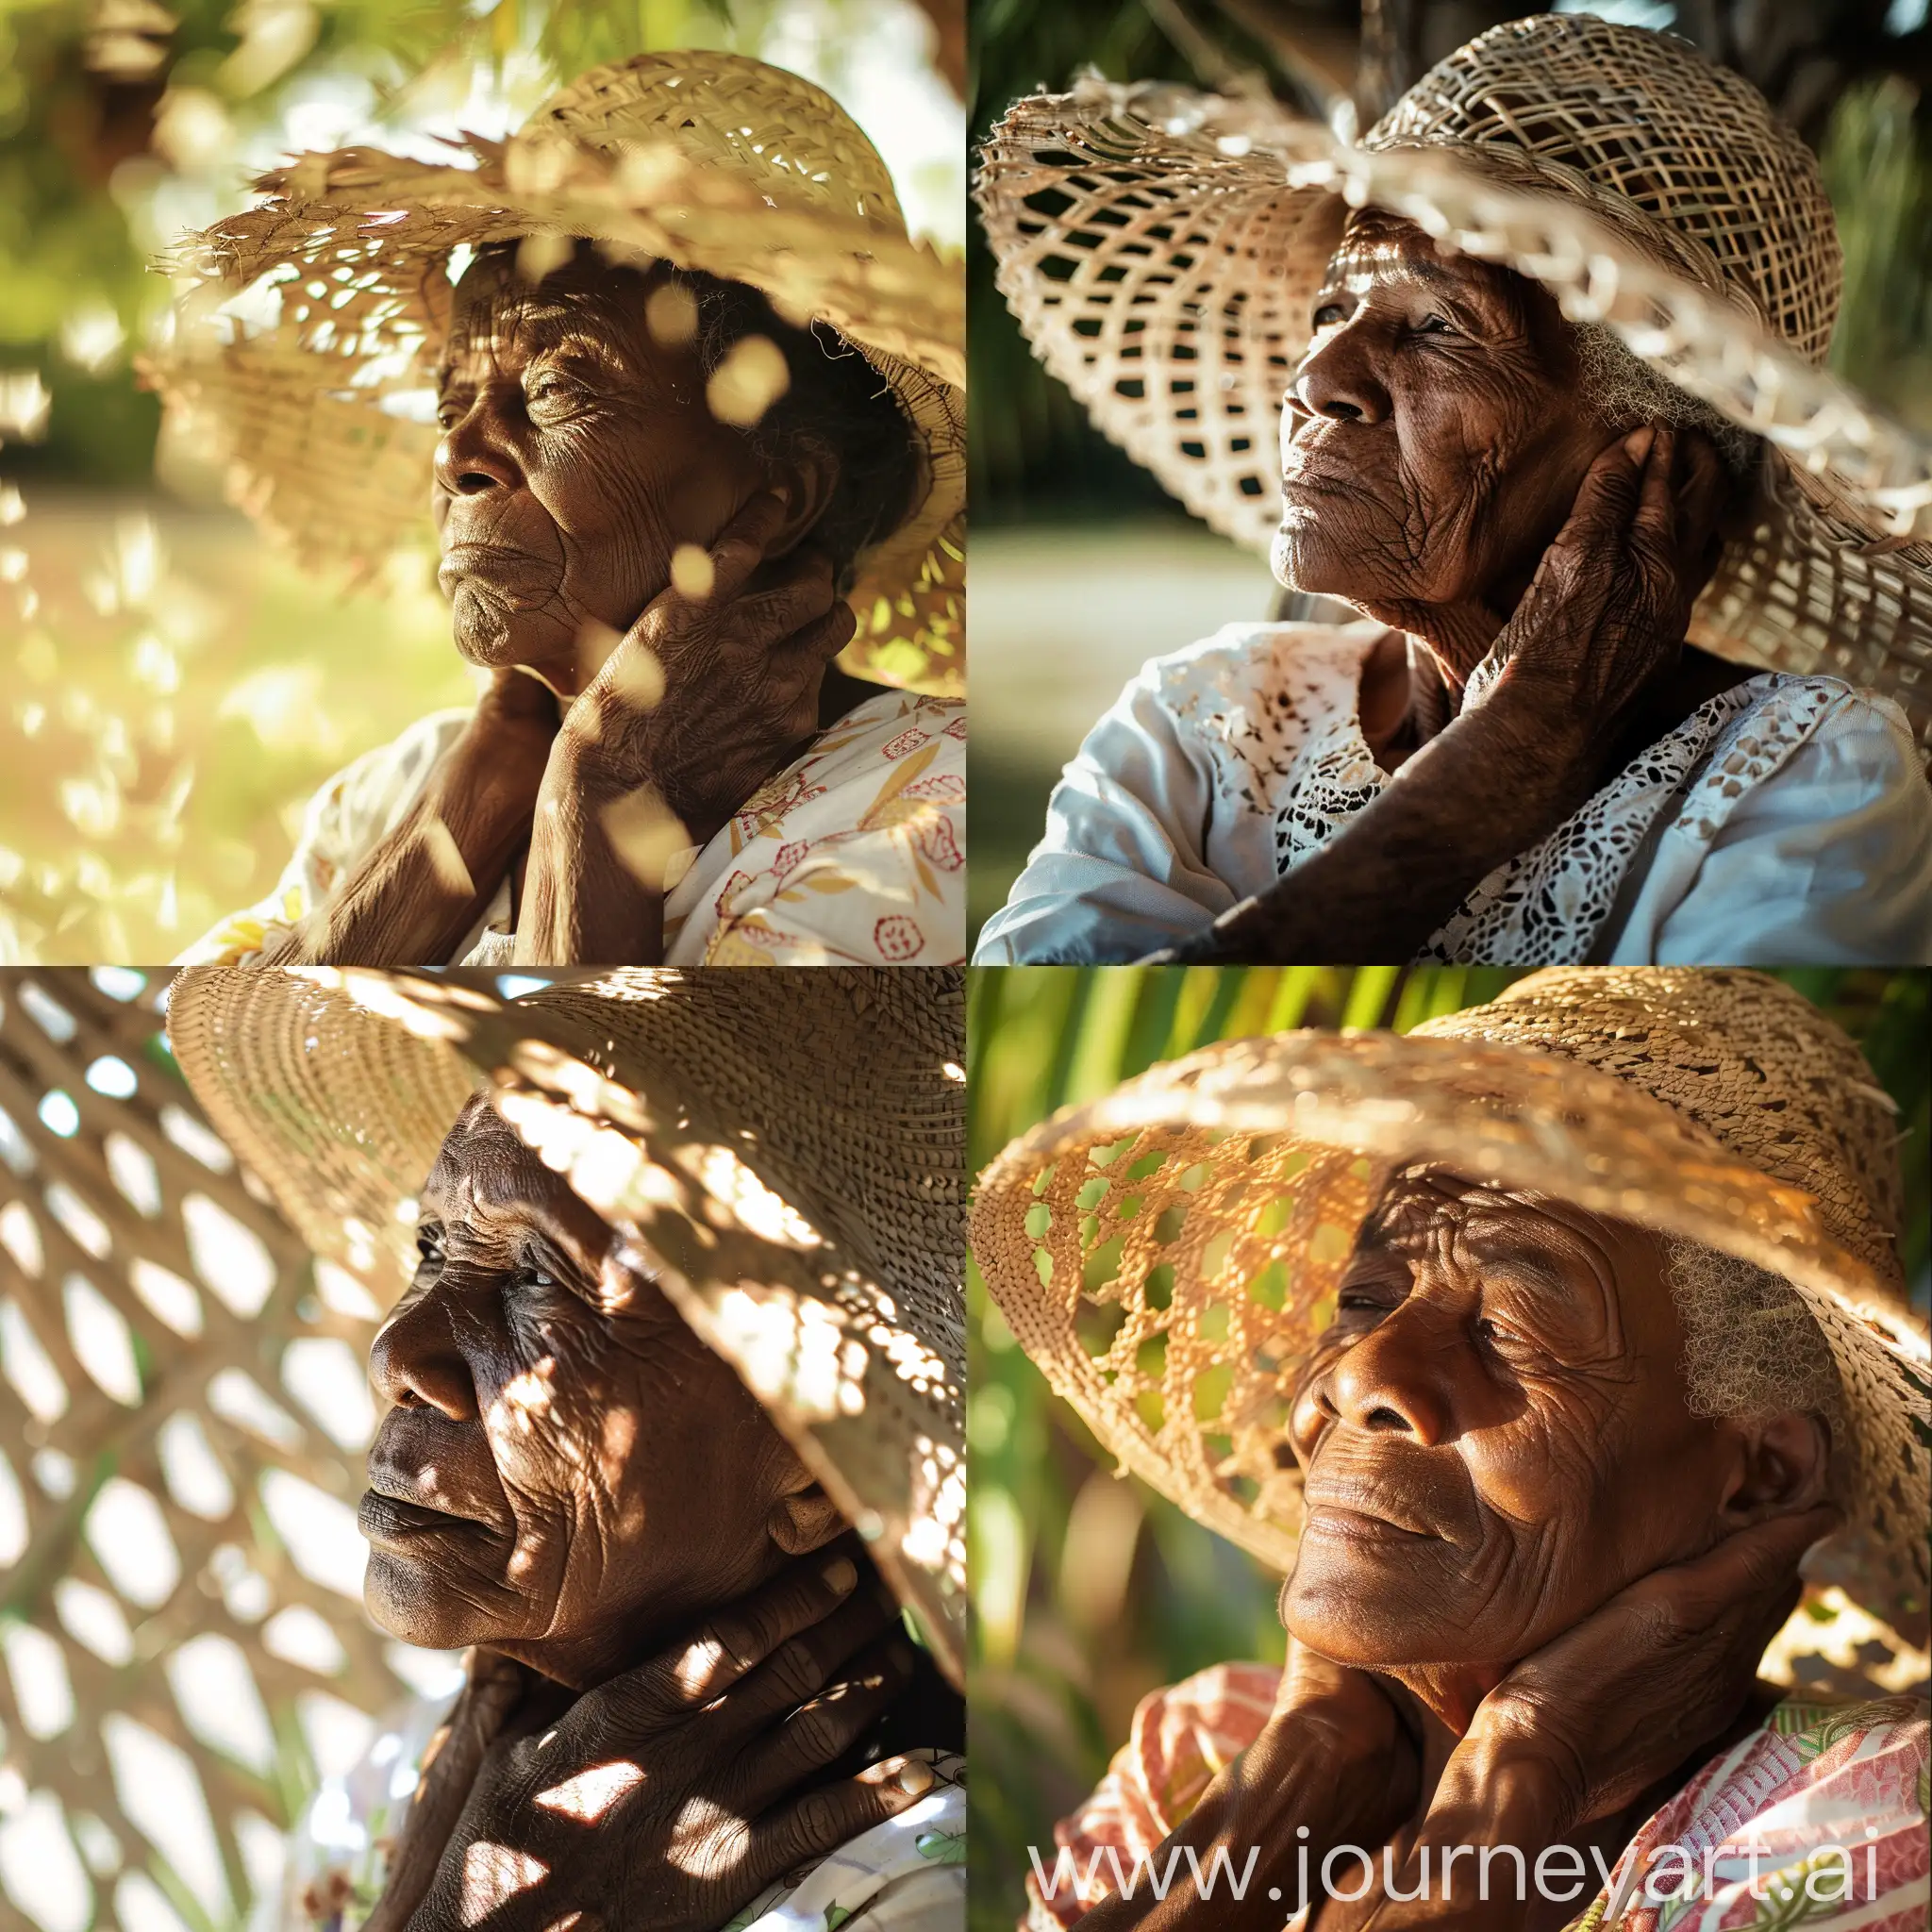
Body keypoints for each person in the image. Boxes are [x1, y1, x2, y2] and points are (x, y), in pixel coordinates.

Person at [970, 968, 1929, 1928]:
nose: (1356, 1377)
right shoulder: (1200, 1748)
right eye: (1364, 1299)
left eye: (1509, 1333)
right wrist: (1295, 1778)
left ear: (1760, 1475)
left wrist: (1523, 1764)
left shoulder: (1857, 1821)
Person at [973, 14, 1932, 966]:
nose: (1315, 379)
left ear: (1664, 473)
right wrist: (1503, 752)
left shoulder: (1805, 775)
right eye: (1330, 310)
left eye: (1438, 325)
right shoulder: (1203, 717)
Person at [168, 966, 968, 1929]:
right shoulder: (400, 1774)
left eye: (538, 1272)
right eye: (433, 1246)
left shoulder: (916, 1887)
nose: (397, 1352)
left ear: (817, 1468)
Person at [159, 50, 965, 968]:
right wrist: (473, 808)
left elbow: (572, 1117)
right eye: (447, 402)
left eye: (554, 391)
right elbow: (250, 1074)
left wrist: (597, 785)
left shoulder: (925, 810)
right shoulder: (406, 784)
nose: (458, 458)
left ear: (782, 498)